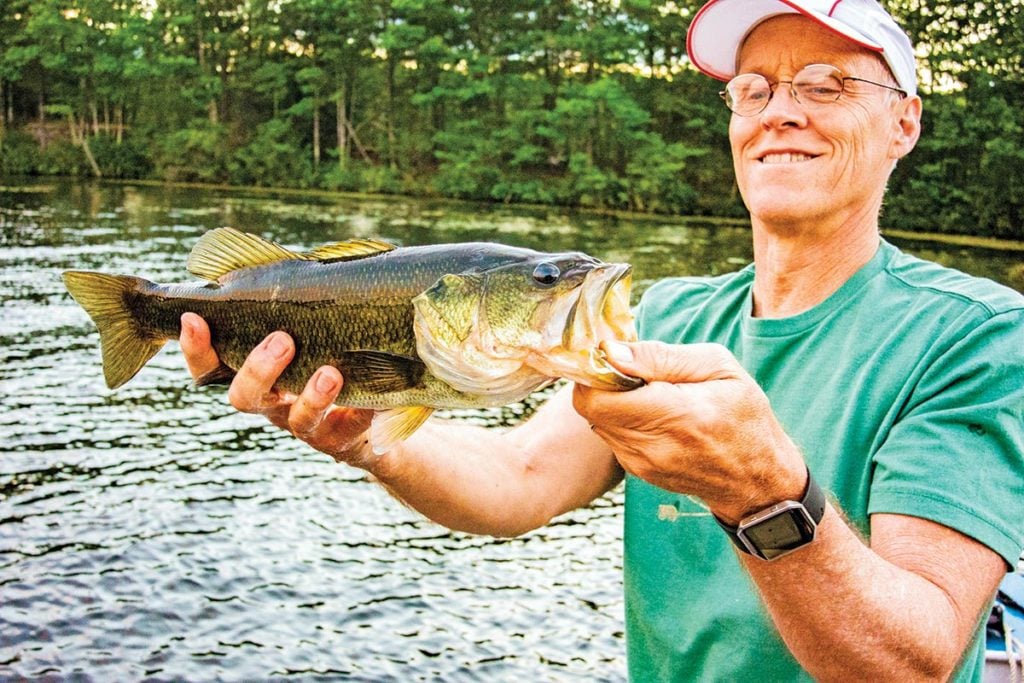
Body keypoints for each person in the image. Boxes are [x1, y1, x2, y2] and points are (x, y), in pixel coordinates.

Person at [178, 0, 1024, 679]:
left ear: (904, 124)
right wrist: (375, 443)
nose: (781, 113)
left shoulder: (978, 336)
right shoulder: (669, 316)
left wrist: (765, 494)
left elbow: (918, 656)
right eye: (754, 89)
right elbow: (521, 477)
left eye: (826, 85)